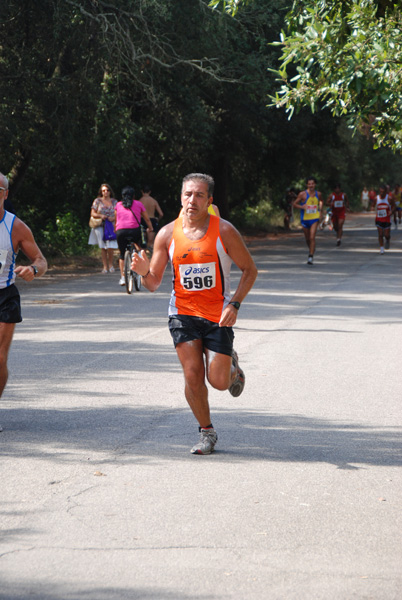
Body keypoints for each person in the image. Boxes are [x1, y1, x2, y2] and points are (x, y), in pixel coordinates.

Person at [132, 173, 257, 455]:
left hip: (218, 315)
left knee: (218, 381)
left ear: (209, 201)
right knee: (192, 375)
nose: (192, 200)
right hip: (183, 314)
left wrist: (234, 304)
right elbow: (152, 282)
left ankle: (232, 370)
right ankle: (206, 432)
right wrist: (142, 273)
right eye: (188, 194)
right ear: (181, 197)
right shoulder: (166, 234)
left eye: (200, 195)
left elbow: (250, 270)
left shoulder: (224, 231)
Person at [0, 172, 47, 431]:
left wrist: (34, 270)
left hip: (4, 295)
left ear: (5, 194)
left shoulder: (16, 226)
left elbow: (41, 260)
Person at [115, 186, 153, 286]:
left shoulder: (118, 205)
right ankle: (139, 265)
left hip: (121, 232)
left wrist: (117, 230)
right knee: (139, 247)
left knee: (122, 254)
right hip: (135, 231)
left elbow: (116, 219)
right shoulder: (139, 204)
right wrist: (150, 228)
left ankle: (123, 277)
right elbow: (147, 219)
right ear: (134, 196)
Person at [88, 183, 118, 273]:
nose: (106, 192)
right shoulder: (97, 201)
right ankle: (105, 266)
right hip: (100, 225)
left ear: (110, 191)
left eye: (107, 190)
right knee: (103, 247)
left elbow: (119, 212)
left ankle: (111, 265)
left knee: (111, 246)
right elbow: (92, 213)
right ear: (101, 192)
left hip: (111, 225)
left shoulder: (114, 202)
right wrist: (101, 215)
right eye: (104, 190)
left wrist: (114, 218)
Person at [293, 176, 323, 265]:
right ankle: (311, 248)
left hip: (314, 218)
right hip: (305, 219)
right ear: (307, 185)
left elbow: (321, 201)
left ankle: (310, 256)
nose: (311, 185)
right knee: (307, 238)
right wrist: (302, 207)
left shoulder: (318, 194)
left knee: (312, 237)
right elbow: (294, 204)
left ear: (315, 184)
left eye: (313, 184)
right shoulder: (302, 194)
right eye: (309, 184)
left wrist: (320, 210)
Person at [138, 185, 164, 249]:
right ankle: (151, 256)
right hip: (152, 220)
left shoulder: (139, 201)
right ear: (150, 192)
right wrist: (157, 219)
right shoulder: (154, 201)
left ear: (142, 191)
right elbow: (161, 214)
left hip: (142, 220)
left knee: (141, 241)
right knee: (150, 242)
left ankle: (142, 254)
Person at [375, 184, 395, 254]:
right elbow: (373, 205)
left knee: (386, 235)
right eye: (380, 191)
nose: (381, 193)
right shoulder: (376, 198)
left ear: (386, 191)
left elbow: (394, 206)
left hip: (387, 219)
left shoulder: (389, 198)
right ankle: (381, 248)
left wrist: (391, 211)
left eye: (383, 192)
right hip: (379, 219)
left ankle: (388, 239)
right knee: (380, 234)